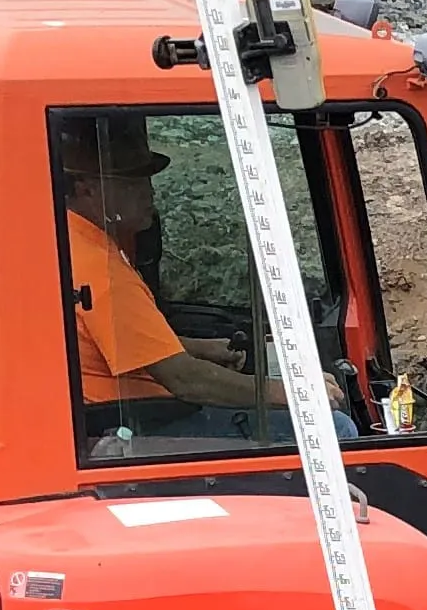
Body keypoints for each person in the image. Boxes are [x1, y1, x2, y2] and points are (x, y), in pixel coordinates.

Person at [60, 123, 346, 422]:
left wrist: (204, 348)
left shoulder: (73, 242)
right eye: (134, 183)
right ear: (86, 189)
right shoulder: (101, 271)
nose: (150, 193)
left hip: (133, 412)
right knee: (336, 426)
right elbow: (184, 380)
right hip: (145, 422)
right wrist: (290, 392)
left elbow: (128, 342)